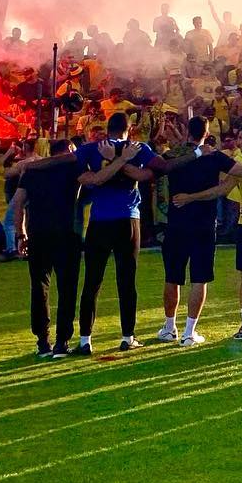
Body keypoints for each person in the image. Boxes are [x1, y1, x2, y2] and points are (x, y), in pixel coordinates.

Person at [160, 116, 242, 344]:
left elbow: (163, 166)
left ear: (186, 131)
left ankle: (169, 327)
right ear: (207, 132)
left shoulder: (174, 154)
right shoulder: (215, 156)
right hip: (204, 223)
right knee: (199, 278)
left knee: (172, 276)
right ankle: (189, 332)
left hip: (176, 222)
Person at [74, 112, 156, 353]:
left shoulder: (89, 150)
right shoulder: (137, 148)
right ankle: (127, 336)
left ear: (106, 128)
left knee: (92, 281)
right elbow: (147, 175)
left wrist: (112, 163)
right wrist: (122, 161)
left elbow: (88, 179)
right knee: (127, 280)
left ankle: (85, 340)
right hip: (128, 219)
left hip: (99, 220)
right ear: (129, 129)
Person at [11, 139, 82, 357]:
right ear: (69, 150)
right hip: (66, 233)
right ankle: (62, 342)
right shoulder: (74, 166)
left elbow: (18, 202)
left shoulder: (32, 171)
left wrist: (20, 233)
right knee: (67, 288)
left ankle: (43, 340)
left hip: (37, 232)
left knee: (39, 286)